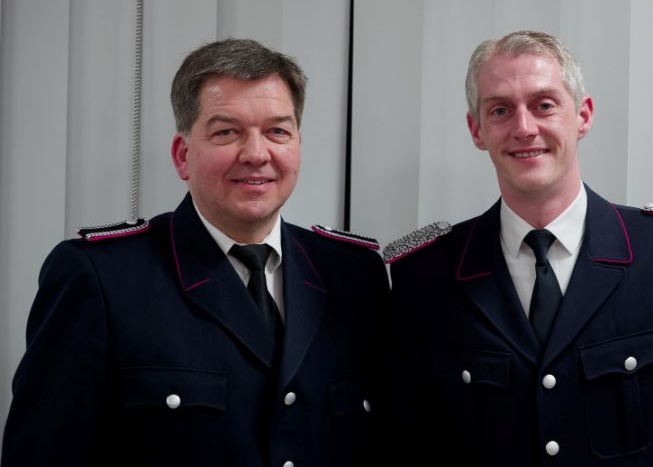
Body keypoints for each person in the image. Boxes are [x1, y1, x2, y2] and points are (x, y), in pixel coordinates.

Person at [385, 30, 653, 466]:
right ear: (477, 130)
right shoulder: (427, 274)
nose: (524, 128)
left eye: (544, 105)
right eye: (500, 110)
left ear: (583, 116)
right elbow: (405, 446)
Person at [2, 39, 389, 467]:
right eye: (227, 132)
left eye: (277, 131)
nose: (256, 154)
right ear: (183, 156)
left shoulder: (354, 275)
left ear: (298, 145)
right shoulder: (101, 277)